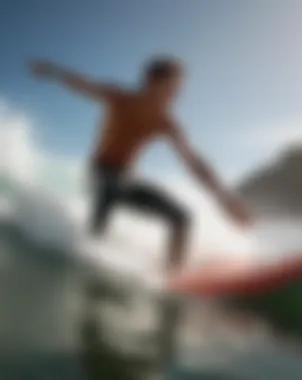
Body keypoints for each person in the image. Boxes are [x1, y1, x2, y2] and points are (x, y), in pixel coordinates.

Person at [29, 56, 252, 273]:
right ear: (154, 81)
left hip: (127, 177)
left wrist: (226, 200)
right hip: (102, 172)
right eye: (174, 85)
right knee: (111, 189)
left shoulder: (166, 121)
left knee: (182, 217)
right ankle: (89, 250)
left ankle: (173, 275)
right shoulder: (120, 98)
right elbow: (83, 84)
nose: (179, 92)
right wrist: (52, 71)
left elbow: (194, 162)